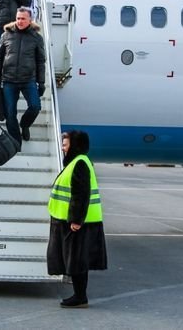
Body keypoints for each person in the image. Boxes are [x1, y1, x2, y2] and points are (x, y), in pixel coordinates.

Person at [47, 130, 107, 308]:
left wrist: (76, 220)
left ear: (75, 146)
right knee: (75, 260)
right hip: (71, 220)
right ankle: (79, 296)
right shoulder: (77, 162)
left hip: (78, 223)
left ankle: (80, 297)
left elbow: (81, 194)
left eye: (65, 145)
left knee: (77, 261)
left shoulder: (79, 163)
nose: (63, 148)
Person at [0, 7, 45, 147]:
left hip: (28, 80)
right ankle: (16, 141)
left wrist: (41, 82)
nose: (20, 21)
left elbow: (41, 61)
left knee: (35, 107)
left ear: (30, 20)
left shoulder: (36, 38)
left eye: (23, 19)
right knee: (10, 113)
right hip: (9, 80)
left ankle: (25, 124)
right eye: (18, 18)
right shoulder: (6, 35)